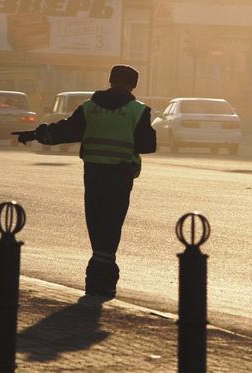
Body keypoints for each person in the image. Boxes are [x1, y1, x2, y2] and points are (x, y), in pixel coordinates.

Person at [16, 65, 156, 298]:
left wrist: (35, 134)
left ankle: (98, 276)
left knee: (96, 222)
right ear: (134, 85)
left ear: (110, 80)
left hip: (93, 174)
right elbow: (148, 145)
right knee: (112, 225)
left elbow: (65, 131)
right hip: (120, 176)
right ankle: (102, 277)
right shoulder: (137, 110)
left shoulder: (90, 108)